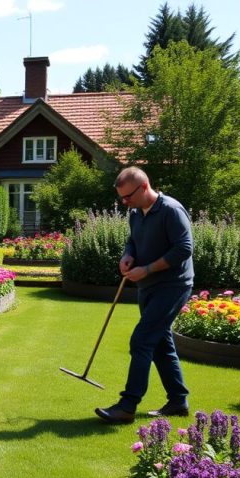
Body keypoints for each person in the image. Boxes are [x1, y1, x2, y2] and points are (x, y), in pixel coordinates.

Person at [95, 166, 194, 424]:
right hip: (148, 286)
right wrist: (127, 256)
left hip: (173, 286)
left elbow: (184, 249)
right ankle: (178, 401)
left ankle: (127, 406)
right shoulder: (137, 214)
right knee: (160, 344)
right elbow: (134, 242)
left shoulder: (171, 210)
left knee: (141, 340)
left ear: (144, 186)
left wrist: (147, 268)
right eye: (122, 198)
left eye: (128, 197)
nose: (125, 202)